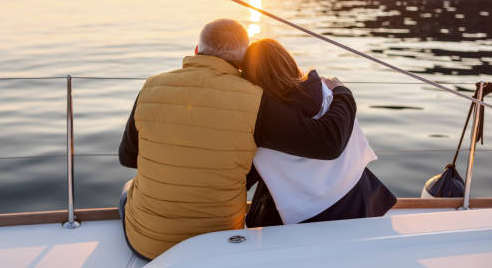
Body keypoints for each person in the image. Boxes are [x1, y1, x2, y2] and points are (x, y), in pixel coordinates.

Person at [118, 19, 358, 260]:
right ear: (243, 62)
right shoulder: (257, 101)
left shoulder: (150, 87)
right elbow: (327, 142)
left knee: (128, 189)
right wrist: (341, 93)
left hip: (147, 245)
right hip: (218, 243)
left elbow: (127, 157)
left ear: (196, 51)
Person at [242, 39, 396, 228]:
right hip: (358, 197)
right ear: (289, 62)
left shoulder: (260, 116)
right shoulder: (327, 92)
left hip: (310, 217)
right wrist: (343, 92)